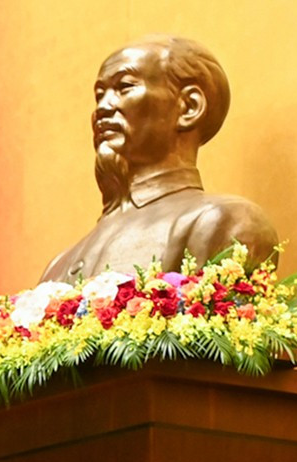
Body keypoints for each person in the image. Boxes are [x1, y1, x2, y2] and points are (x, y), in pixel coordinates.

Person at [40, 36, 277, 284]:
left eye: (124, 87)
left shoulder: (222, 222)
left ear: (189, 107)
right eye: (99, 95)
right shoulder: (58, 264)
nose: (103, 107)